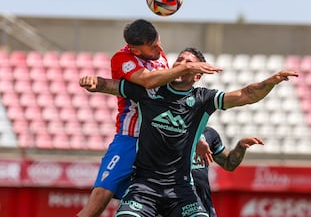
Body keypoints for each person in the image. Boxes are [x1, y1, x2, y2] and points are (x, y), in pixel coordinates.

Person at [79, 47, 298, 216]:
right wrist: (94, 81)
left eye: (188, 62)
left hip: (181, 189)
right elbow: (111, 85)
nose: (182, 64)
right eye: (179, 60)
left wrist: (271, 82)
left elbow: (246, 94)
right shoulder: (150, 90)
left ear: (198, 74)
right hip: (144, 186)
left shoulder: (203, 99)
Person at [77, 20, 221, 217]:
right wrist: (188, 67)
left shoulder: (159, 56)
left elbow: (177, 104)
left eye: (159, 42)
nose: (160, 49)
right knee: (99, 200)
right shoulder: (122, 58)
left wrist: (197, 138)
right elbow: (148, 81)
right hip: (131, 137)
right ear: (136, 51)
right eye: (153, 46)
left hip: (160, 141)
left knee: (171, 198)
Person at [192, 126, 264, 217]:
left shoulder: (208, 133)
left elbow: (228, 163)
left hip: (203, 204)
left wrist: (240, 147)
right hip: (176, 200)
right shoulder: (173, 133)